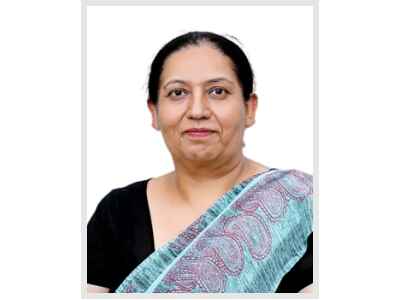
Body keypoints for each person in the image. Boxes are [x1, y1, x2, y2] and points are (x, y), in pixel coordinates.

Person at [87, 31, 313, 293]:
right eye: (177, 92)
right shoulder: (118, 213)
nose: (197, 111)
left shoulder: (303, 205)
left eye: (218, 91)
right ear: (154, 112)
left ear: (249, 109)